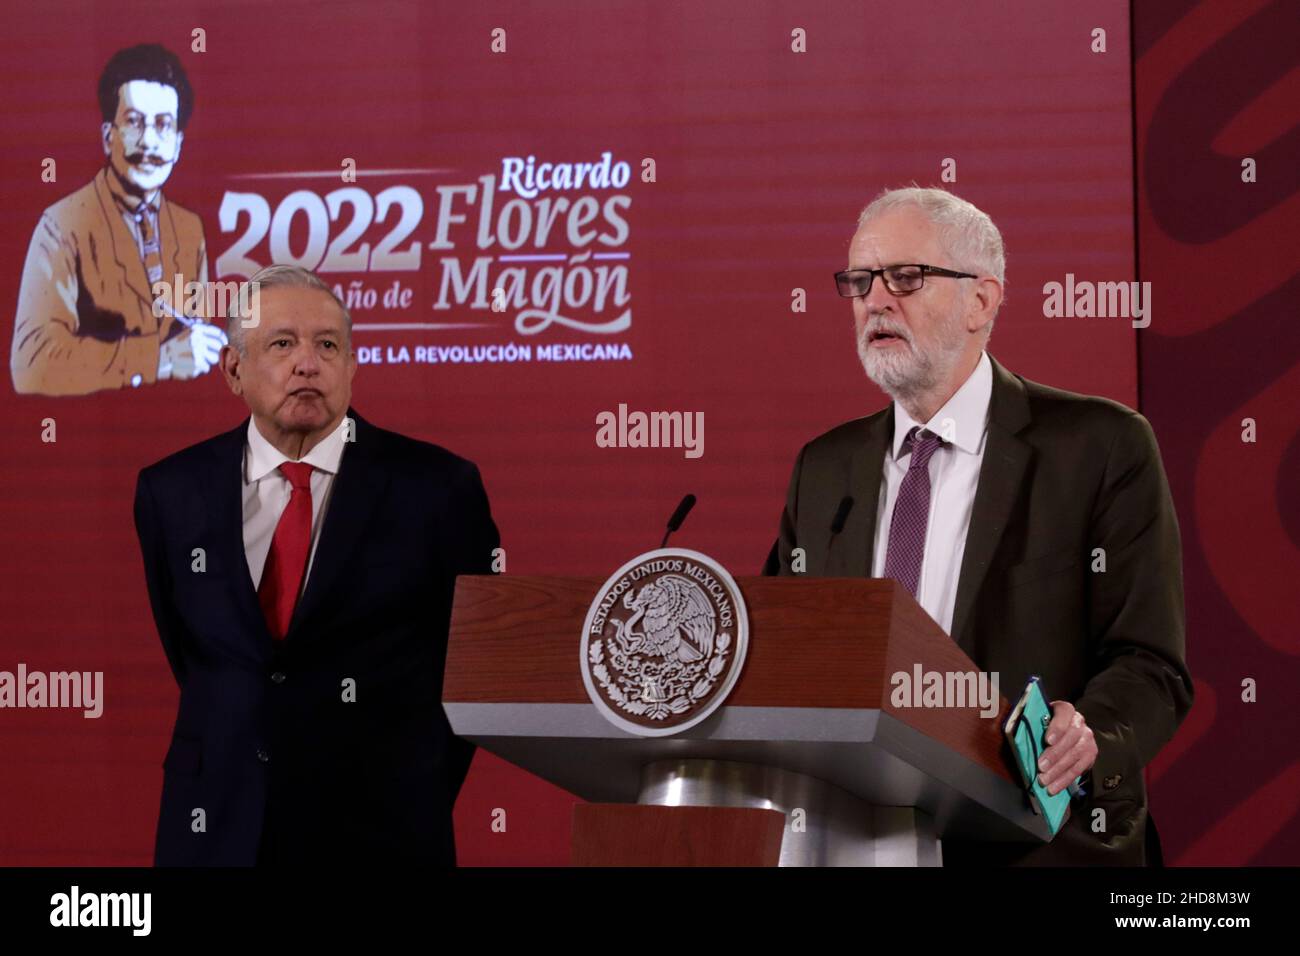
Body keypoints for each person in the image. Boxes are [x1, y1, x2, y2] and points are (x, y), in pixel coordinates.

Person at [763, 186, 1193, 865]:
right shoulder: (826, 467)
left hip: (1031, 844)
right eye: (860, 281)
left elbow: (1150, 662)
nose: (876, 300)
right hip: (850, 840)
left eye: (906, 277)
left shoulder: (1100, 447)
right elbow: (780, 648)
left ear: (982, 301)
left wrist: (1089, 735)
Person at [133, 264, 499, 864]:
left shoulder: (438, 489)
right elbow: (196, 656)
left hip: (382, 834)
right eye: (282, 344)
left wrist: (413, 786)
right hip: (217, 827)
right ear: (233, 370)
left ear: (351, 368)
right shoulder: (171, 492)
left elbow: (475, 668)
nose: (308, 363)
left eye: (328, 345)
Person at [12, 43, 225, 396]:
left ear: (178, 145)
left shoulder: (190, 229)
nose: (149, 142)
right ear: (108, 137)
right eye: (134, 122)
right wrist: (159, 359)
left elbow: (195, 348)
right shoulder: (62, 225)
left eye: (163, 125)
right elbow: (31, 365)